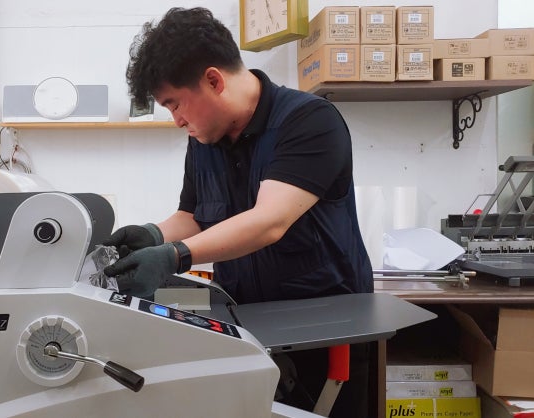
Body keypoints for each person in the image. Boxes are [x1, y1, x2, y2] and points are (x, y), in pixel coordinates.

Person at [103, 7, 374, 418]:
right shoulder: (205, 139)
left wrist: (173, 256)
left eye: (175, 104)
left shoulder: (309, 121)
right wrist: (153, 235)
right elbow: (195, 216)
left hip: (325, 336)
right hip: (248, 328)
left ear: (214, 80)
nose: (177, 121)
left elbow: (269, 221)